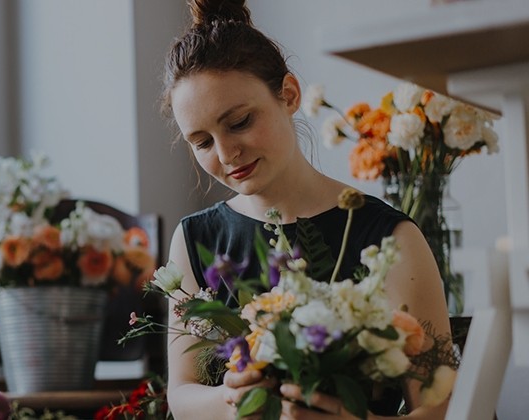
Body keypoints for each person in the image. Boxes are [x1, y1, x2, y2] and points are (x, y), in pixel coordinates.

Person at [161, 0, 452, 418]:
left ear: (289, 95)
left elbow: (445, 408)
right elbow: (182, 394)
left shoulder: (390, 238)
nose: (226, 153)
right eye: (202, 142)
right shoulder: (194, 240)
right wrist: (234, 402)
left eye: (240, 121)